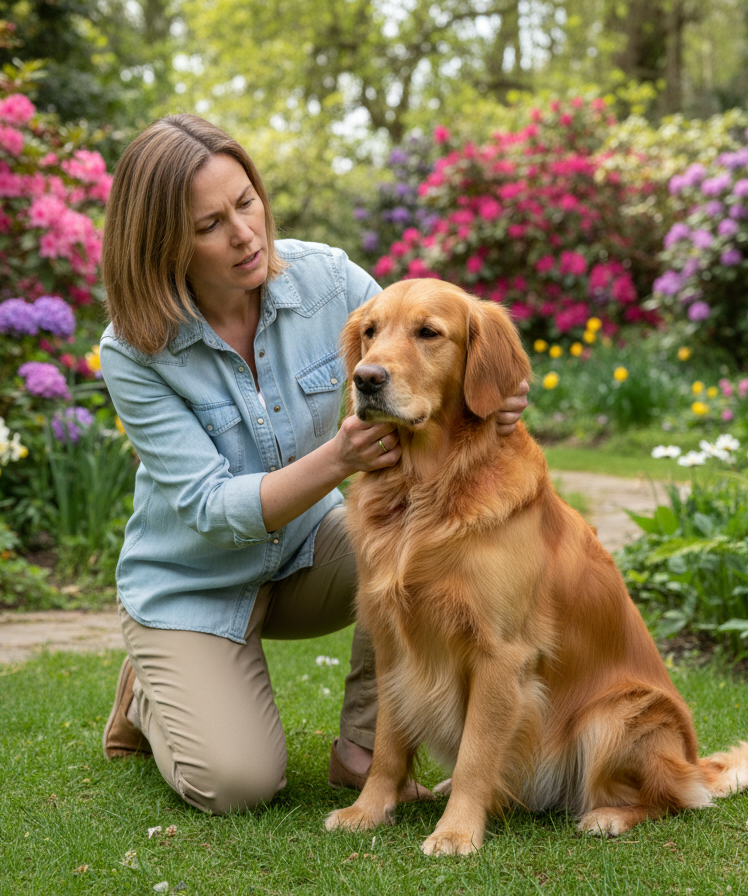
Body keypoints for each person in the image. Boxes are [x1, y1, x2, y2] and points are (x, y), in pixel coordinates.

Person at [98, 113, 528, 815]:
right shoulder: (133, 350)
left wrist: (495, 390)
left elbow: (419, 343)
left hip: (305, 553)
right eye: (209, 225)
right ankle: (150, 689)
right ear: (162, 243)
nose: (243, 233)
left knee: (412, 542)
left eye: (246, 202)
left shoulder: (327, 278)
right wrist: (337, 458)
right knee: (237, 785)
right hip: (194, 582)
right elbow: (210, 509)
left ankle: (364, 750)